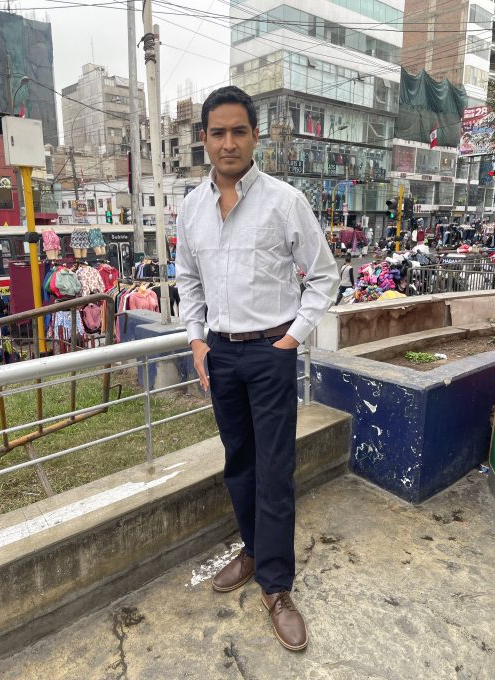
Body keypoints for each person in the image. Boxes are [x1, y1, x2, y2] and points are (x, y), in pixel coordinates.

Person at [176, 86, 338, 652]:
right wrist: (197, 340)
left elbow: (324, 275)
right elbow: (187, 278)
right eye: (218, 132)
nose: (228, 143)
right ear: (204, 139)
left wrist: (291, 339)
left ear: (254, 136)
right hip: (220, 355)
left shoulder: (284, 202)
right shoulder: (191, 209)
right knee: (239, 464)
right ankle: (251, 550)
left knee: (275, 471)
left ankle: (276, 585)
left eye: (238, 131)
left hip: (271, 352)